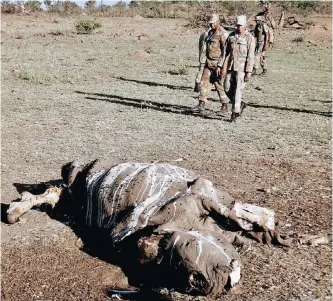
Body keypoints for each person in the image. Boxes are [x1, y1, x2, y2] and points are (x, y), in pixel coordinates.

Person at [192, 14, 229, 114]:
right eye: (210, 23)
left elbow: (226, 52)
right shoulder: (210, 33)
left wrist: (220, 66)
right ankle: (201, 103)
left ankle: (225, 105)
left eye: (212, 23)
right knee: (204, 82)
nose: (211, 25)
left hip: (217, 65)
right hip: (209, 63)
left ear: (218, 22)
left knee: (218, 85)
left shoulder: (223, 34)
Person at [221, 15, 255, 122]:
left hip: (242, 68)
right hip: (231, 66)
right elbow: (225, 52)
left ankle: (235, 112)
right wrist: (221, 66)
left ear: (245, 25)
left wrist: (249, 71)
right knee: (226, 87)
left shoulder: (249, 38)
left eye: (241, 25)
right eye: (237, 25)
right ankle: (240, 104)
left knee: (238, 91)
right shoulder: (231, 36)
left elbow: (251, 56)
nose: (239, 27)